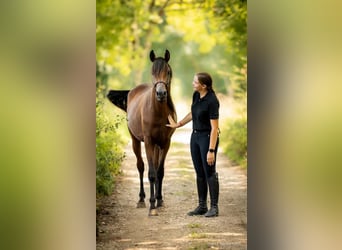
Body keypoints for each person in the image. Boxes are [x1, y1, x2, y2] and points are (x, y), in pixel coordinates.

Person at [167, 72, 220, 217]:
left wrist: (211, 150)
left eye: (195, 82)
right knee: (199, 172)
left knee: (209, 171)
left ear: (204, 86)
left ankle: (214, 207)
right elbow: (192, 113)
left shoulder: (212, 101)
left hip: (207, 137)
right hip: (195, 137)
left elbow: (215, 128)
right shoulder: (196, 95)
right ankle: (202, 206)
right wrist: (179, 124)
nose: (193, 84)